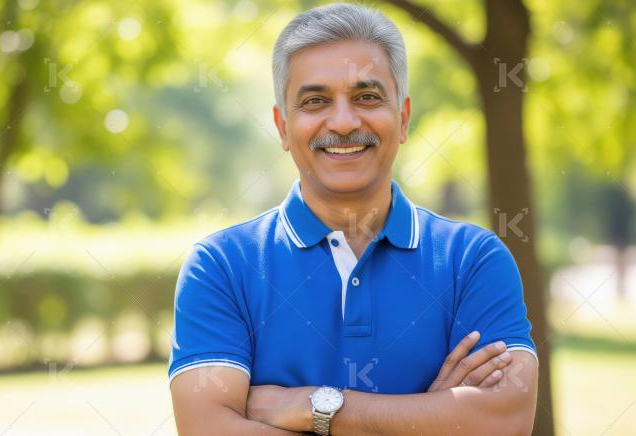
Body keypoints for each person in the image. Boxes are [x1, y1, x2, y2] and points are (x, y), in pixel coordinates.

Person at [169, 3, 538, 435]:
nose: (343, 122)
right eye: (315, 101)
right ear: (282, 126)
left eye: (366, 97)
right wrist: (430, 416)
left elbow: (506, 422)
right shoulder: (220, 267)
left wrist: (313, 407)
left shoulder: (474, 260)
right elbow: (207, 429)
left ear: (402, 117)